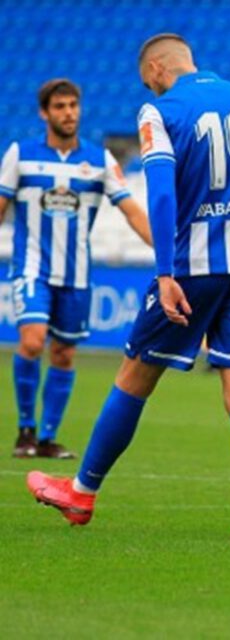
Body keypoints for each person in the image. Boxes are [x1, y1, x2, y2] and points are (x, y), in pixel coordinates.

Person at [26, 34, 230, 542]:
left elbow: (164, 193)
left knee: (134, 377)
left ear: (155, 68)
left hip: (193, 265)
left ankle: (81, 493)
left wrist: (167, 272)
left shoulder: (159, 110)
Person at [2, 78, 153, 459]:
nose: (68, 113)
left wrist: (168, 251)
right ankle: (25, 431)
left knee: (65, 354)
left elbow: (132, 211)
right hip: (32, 270)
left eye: (73, 106)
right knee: (33, 341)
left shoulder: (99, 161)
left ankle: (48, 437)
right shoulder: (20, 155)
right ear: (44, 113)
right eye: (59, 107)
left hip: (77, 276)